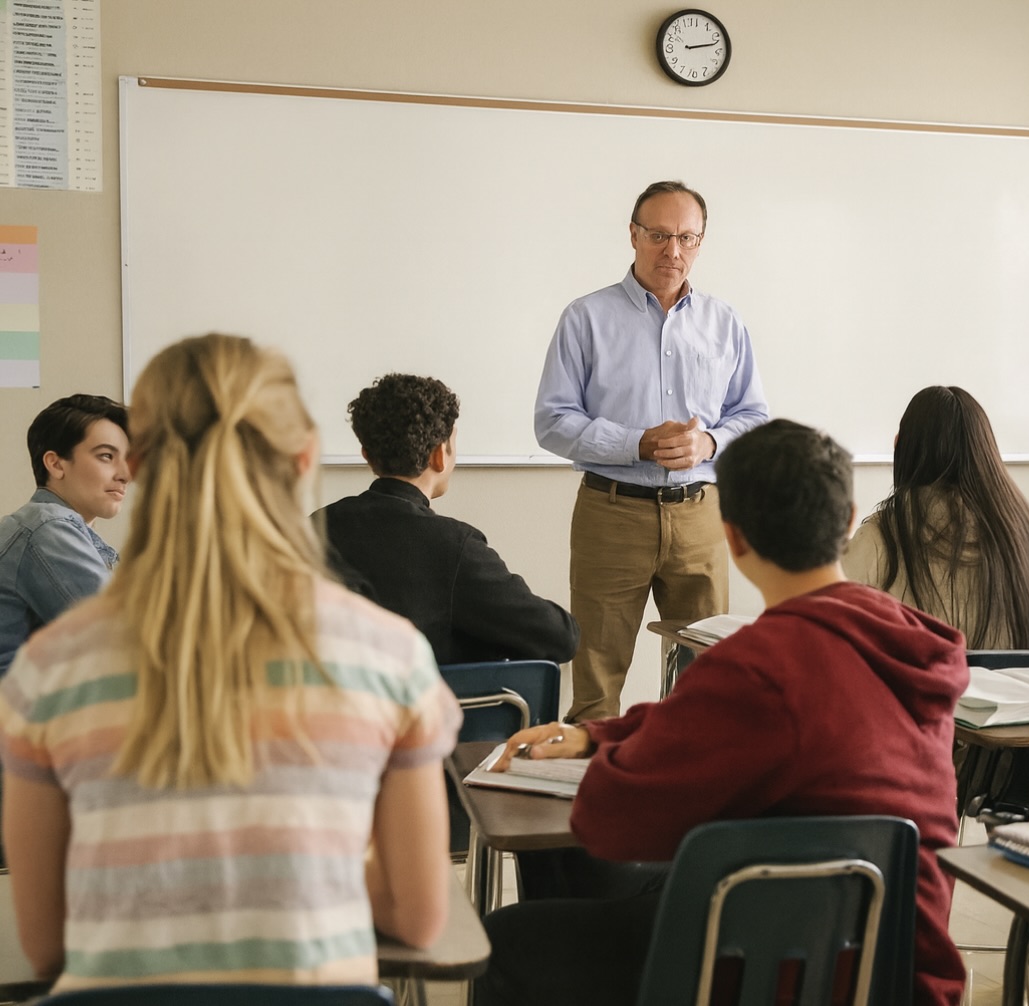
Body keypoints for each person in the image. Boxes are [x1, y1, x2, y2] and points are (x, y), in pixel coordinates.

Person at [0, 334, 461, 990]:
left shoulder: (48, 669)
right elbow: (416, 919)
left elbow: (46, 948)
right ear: (305, 457)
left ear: (143, 465)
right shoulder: (389, 655)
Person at [475, 419, 968, 1006]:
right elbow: (722, 724)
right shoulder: (905, 645)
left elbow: (608, 821)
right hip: (894, 967)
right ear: (846, 517)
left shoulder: (757, 667)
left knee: (506, 941)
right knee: (586, 882)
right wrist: (598, 737)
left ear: (731, 536)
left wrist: (612, 760)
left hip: (783, 967)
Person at [534, 179, 768, 722]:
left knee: (707, 682)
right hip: (610, 513)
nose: (674, 250)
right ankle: (592, 801)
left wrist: (709, 441)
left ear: (701, 241)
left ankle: (689, 799)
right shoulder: (585, 318)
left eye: (688, 237)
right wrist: (635, 443)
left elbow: (753, 417)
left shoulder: (725, 322)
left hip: (700, 516)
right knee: (595, 681)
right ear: (634, 236)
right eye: (660, 235)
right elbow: (552, 420)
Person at [317, 373, 578, 665]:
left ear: (367, 455)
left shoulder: (314, 527)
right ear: (440, 455)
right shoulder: (454, 546)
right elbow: (560, 639)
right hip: (428, 709)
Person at [843, 384, 1029, 651]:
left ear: (899, 446)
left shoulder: (880, 537)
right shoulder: (1021, 532)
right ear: (985, 452)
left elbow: (829, 632)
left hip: (923, 693)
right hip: (1020, 692)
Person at [0, 394, 130, 676]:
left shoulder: (55, 529)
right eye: (106, 456)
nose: (125, 474)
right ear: (56, 464)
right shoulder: (47, 528)